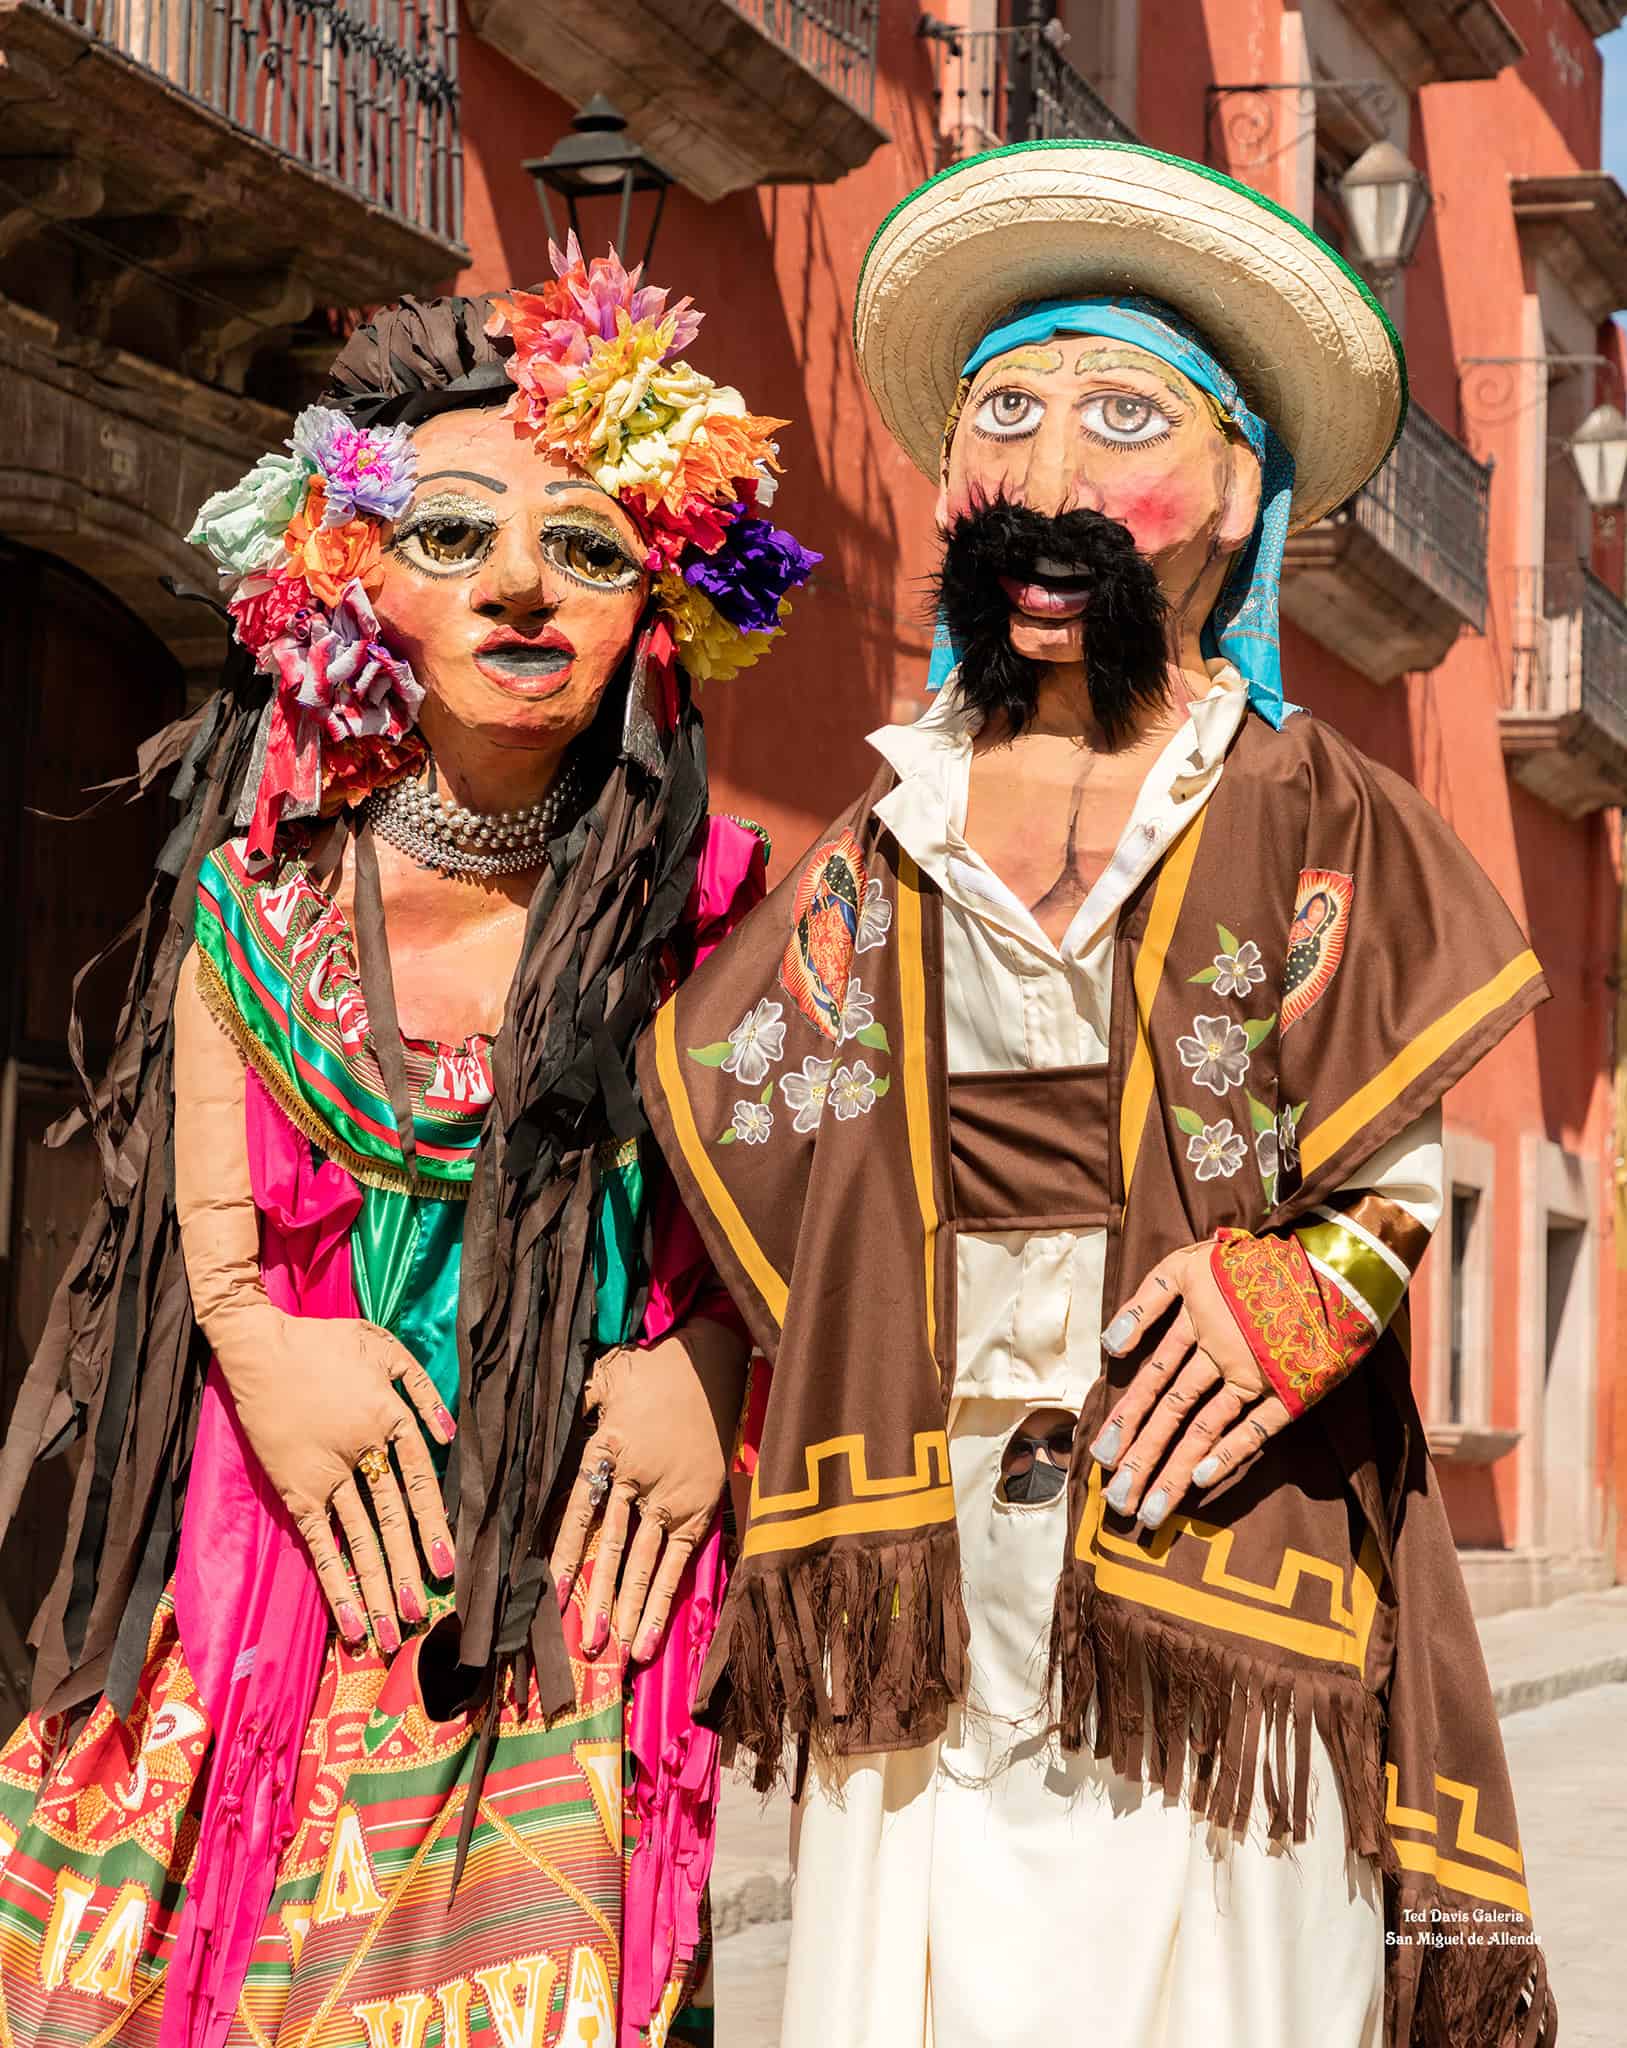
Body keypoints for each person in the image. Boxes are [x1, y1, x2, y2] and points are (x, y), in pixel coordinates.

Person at [638, 142, 1555, 2047]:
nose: (1050, 482)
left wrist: (1304, 1290)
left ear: (1236, 494)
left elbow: (1392, 1174)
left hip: (1221, 1516)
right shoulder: (880, 836)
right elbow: (751, 1136)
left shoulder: (1317, 817)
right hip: (921, 1543)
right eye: (1007, 419)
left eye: (1120, 421)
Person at [0, 241, 814, 2046]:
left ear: (659, 611)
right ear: (354, 582)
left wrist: (706, 1359)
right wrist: (258, 1339)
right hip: (275, 1556)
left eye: (590, 546)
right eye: (455, 537)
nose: (524, 585)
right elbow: (206, 1248)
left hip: (571, 1591)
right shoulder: (253, 901)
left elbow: (807, 1221)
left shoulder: (735, 919)